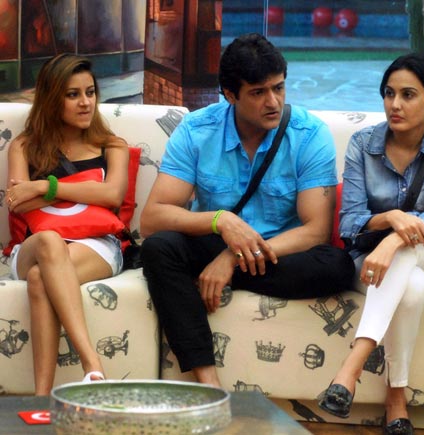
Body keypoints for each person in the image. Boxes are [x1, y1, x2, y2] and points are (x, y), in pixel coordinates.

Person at [139, 33, 355, 387]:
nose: (273, 102)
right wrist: (220, 220)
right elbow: (152, 219)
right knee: (159, 248)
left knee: (337, 266)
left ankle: (221, 273)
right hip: (215, 241)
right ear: (230, 95)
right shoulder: (197, 130)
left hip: (280, 252)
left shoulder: (309, 134)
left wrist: (232, 259)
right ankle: (208, 383)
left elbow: (315, 230)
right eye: (258, 92)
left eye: (279, 88)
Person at [318, 53, 424, 434]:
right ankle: (396, 400)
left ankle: (350, 370)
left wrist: (394, 241)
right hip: (369, 264)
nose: (394, 104)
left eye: (408, 95)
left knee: (408, 255)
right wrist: (390, 219)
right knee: (411, 286)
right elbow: (350, 221)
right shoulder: (362, 144)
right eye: (389, 93)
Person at [5, 53, 129, 395]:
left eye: (90, 92)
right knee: (48, 241)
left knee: (39, 279)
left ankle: (41, 398)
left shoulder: (112, 145)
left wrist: (45, 187)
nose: (86, 102)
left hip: (97, 245)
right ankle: (93, 364)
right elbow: (17, 202)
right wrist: (87, 192)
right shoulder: (24, 146)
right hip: (32, 246)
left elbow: (113, 195)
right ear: (51, 98)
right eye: (73, 94)